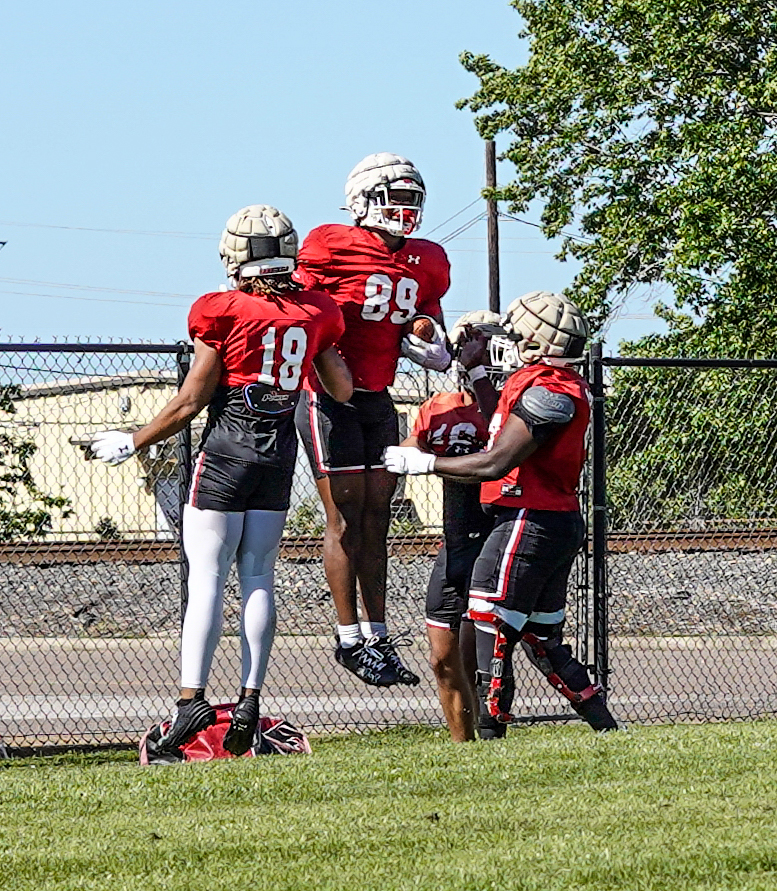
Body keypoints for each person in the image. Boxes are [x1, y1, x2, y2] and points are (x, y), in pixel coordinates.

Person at [91, 205, 352, 757]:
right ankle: (251, 696)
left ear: (237, 257)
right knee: (259, 576)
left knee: (207, 577)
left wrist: (135, 439)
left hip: (227, 453)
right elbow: (342, 389)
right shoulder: (317, 311)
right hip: (279, 458)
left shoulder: (222, 309)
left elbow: (191, 400)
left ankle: (192, 701)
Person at [384, 291, 618, 734]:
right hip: (551, 517)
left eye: (513, 335)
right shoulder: (543, 382)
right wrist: (475, 372)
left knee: (489, 625)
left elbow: (496, 461)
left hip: (529, 517)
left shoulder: (550, 390)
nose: (504, 343)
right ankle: (606, 727)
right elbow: (500, 424)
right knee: (543, 639)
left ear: (536, 344)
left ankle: (491, 736)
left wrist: (426, 462)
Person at [294, 153, 451, 687]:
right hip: (327, 397)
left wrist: (427, 332)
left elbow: (430, 321)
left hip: (379, 396)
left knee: (378, 518)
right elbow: (295, 304)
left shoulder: (427, 258)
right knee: (343, 516)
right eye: (395, 198)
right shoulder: (330, 243)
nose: (405, 211)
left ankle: (378, 635)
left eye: (412, 200)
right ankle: (347, 637)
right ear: (361, 201)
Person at [402, 311, 516, 741]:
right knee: (441, 654)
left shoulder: (515, 401)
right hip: (455, 539)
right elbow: (414, 446)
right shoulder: (439, 407)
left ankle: (490, 734)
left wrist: (481, 372)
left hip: (495, 534)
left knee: (478, 649)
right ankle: (461, 744)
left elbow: (500, 438)